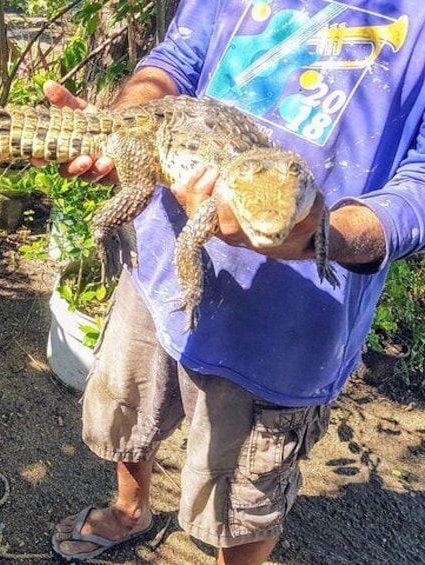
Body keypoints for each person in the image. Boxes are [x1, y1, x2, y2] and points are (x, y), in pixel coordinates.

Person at [45, 1, 424, 563]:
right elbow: (177, 57)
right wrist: (121, 130)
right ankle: (131, 508)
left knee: (245, 497)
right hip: (158, 259)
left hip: (291, 324)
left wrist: (328, 236)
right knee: (128, 408)